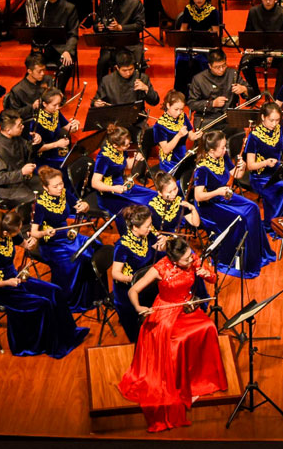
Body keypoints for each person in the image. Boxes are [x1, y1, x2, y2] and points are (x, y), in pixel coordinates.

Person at [118, 236, 225, 432]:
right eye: (186, 259)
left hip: (186, 307)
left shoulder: (191, 258)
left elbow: (213, 278)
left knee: (209, 326)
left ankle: (197, 379)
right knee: (179, 340)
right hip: (165, 312)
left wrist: (206, 274)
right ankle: (181, 385)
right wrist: (139, 307)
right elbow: (133, 290)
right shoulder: (159, 268)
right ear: (174, 261)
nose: (191, 260)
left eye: (190, 257)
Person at [0, 209, 90, 357]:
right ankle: (50, 344)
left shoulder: (12, 236)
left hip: (17, 279)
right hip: (3, 290)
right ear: (5, 233)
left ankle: (68, 333)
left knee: (55, 291)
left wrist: (36, 239)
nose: (20, 232)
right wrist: (8, 282)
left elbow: (28, 246)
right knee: (44, 303)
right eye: (18, 229)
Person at [192, 130, 273, 278]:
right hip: (210, 205)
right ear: (211, 151)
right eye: (222, 147)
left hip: (224, 196)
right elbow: (198, 196)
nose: (225, 150)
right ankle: (238, 262)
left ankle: (257, 255)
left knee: (253, 208)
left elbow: (237, 175)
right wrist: (217, 192)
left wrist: (241, 167)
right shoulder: (202, 169)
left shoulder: (222, 157)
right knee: (241, 218)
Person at [30, 166, 98, 313]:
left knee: (94, 246)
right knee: (75, 259)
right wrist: (45, 232)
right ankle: (69, 301)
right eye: (55, 186)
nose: (60, 188)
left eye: (61, 183)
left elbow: (79, 205)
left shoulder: (63, 193)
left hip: (66, 235)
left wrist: (85, 206)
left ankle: (89, 296)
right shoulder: (40, 205)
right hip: (52, 244)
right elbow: (34, 233)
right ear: (45, 188)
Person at [108, 204, 166, 341]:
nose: (150, 228)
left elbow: (158, 248)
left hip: (146, 281)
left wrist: (163, 243)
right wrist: (135, 279)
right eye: (147, 226)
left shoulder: (147, 233)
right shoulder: (122, 246)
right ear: (135, 227)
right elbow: (115, 273)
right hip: (129, 289)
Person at [239, 0, 283, 94]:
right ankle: (254, 92)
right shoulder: (253, 12)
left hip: (279, 53)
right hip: (258, 52)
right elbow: (248, 34)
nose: (268, 1)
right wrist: (249, 47)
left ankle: (277, 96)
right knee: (244, 62)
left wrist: (273, 54)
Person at [29, 0, 81, 93]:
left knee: (66, 65)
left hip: (62, 48)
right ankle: (35, 92)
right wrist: (35, 47)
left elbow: (73, 34)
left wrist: (68, 51)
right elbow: (33, 31)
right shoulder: (38, 6)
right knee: (31, 62)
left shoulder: (69, 8)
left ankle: (58, 93)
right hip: (43, 48)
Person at [93, 0, 147, 79]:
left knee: (138, 63)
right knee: (102, 62)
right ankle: (102, 89)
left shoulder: (135, 3)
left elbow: (140, 25)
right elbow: (96, 22)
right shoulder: (105, 2)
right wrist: (98, 27)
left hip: (130, 44)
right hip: (111, 45)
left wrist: (120, 28)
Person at [172, 0, 223, 92]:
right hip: (191, 43)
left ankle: (202, 91)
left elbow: (216, 33)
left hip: (206, 46)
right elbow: (183, 29)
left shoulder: (213, 11)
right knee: (181, 60)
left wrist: (213, 48)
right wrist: (181, 44)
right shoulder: (188, 9)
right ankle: (181, 92)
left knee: (200, 61)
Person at [92, 124, 154, 216]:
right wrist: (114, 188)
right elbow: (95, 183)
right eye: (126, 145)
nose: (129, 146)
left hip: (123, 186)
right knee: (141, 208)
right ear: (115, 145)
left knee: (153, 196)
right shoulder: (103, 158)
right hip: (110, 194)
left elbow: (126, 165)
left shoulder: (120, 150)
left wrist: (136, 159)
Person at [0, 110, 39, 207]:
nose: (23, 126)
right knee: (36, 200)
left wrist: (36, 142)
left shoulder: (15, 137)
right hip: (4, 189)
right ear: (8, 130)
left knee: (47, 186)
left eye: (21, 123)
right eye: (19, 125)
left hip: (20, 178)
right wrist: (21, 172)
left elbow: (27, 149)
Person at [94, 52, 160, 131]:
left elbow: (155, 101)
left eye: (131, 69)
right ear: (117, 68)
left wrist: (146, 89)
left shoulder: (142, 78)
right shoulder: (107, 81)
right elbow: (96, 101)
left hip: (137, 121)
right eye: (124, 70)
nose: (128, 73)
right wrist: (96, 104)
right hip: (114, 122)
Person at [187, 49, 247, 128]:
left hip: (229, 116)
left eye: (224, 65)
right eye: (217, 67)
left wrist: (244, 89)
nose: (221, 69)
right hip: (207, 118)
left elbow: (251, 94)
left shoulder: (233, 74)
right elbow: (192, 104)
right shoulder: (199, 79)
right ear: (210, 66)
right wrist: (212, 103)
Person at [26, 88, 84, 171]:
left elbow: (69, 128)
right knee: (71, 167)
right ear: (44, 104)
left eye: (59, 104)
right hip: (43, 157)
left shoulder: (55, 112)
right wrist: (57, 144)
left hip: (56, 150)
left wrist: (76, 125)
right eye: (54, 105)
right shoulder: (35, 122)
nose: (57, 108)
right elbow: (35, 149)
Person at [152, 91, 200, 174]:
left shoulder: (183, 116)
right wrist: (178, 135)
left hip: (183, 158)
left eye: (181, 109)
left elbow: (191, 136)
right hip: (169, 163)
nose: (179, 112)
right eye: (176, 109)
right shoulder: (159, 125)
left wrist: (196, 135)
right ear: (168, 105)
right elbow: (166, 150)